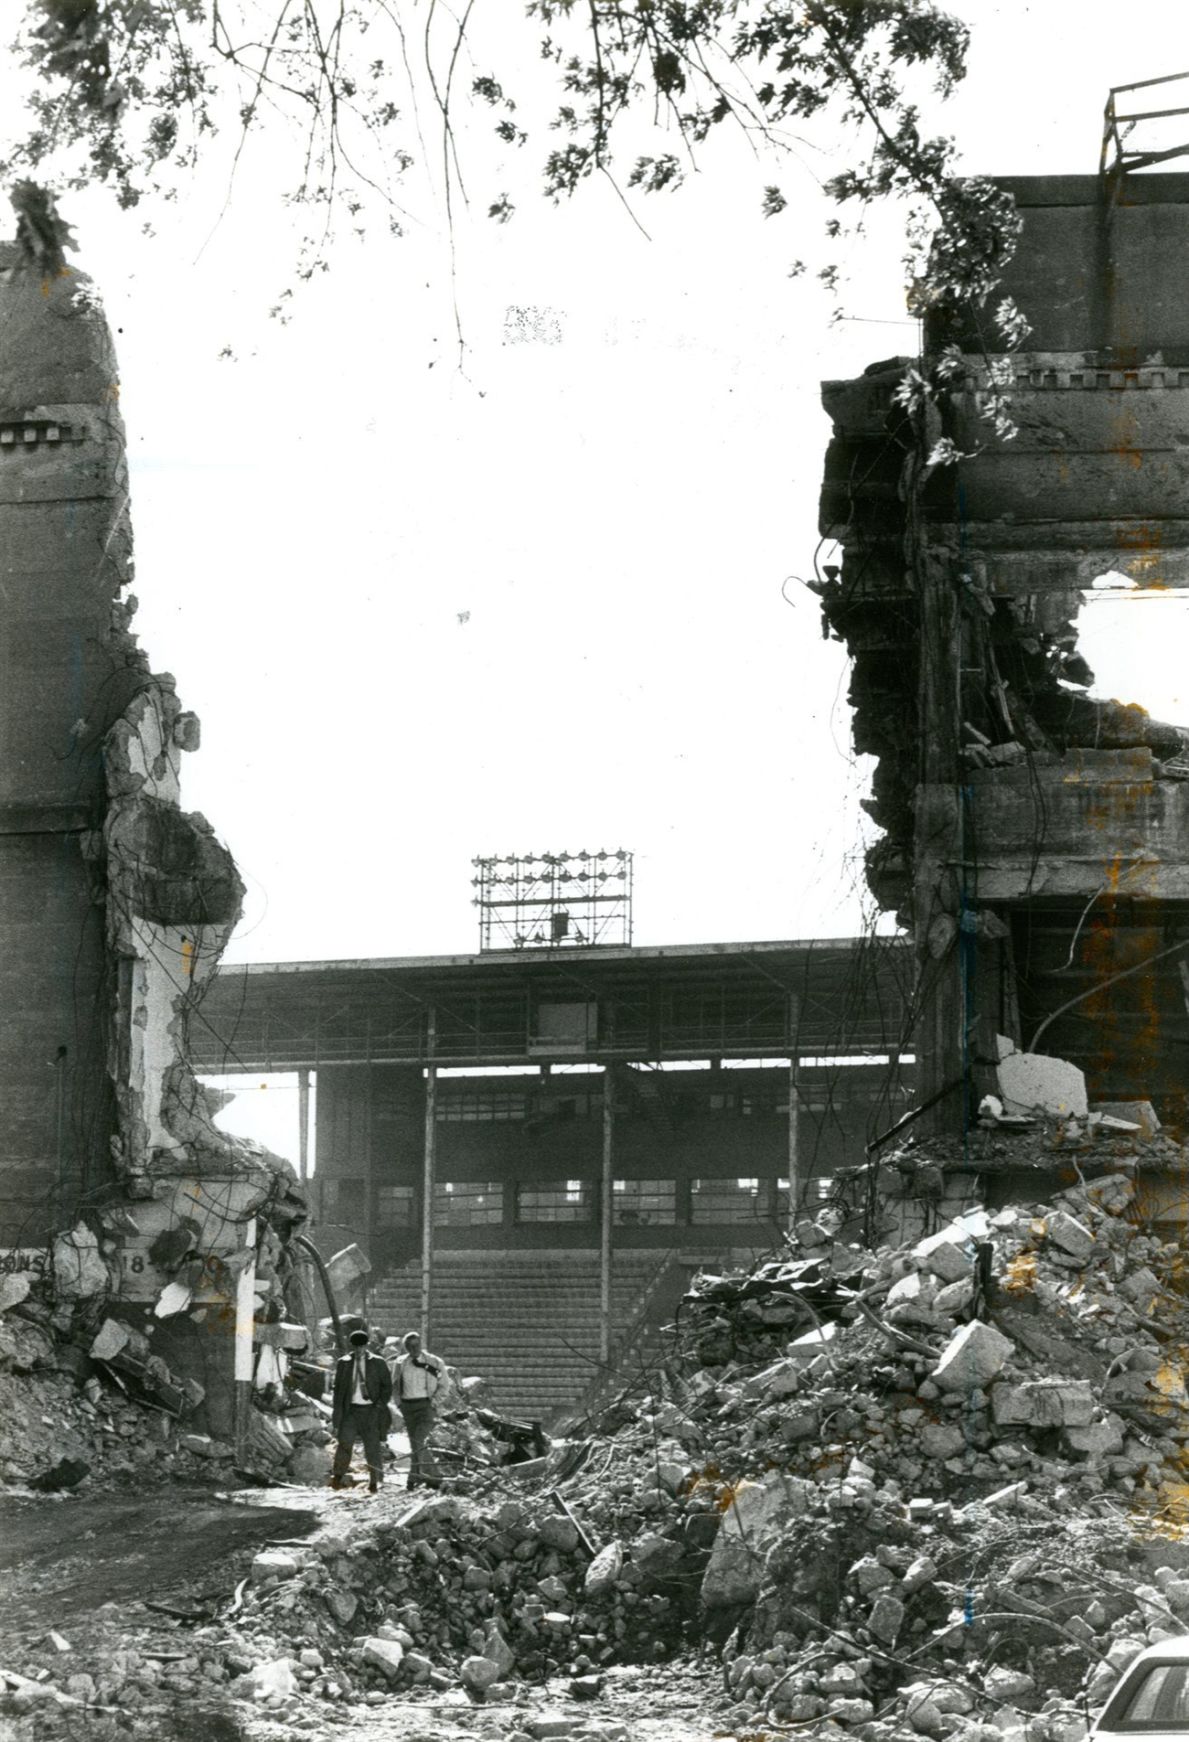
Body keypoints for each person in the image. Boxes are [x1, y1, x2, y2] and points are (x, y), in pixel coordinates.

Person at [330, 1326, 393, 1493]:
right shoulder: (343, 1363)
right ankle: (337, 1477)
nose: (358, 1350)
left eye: (361, 1346)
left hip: (370, 1411)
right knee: (345, 1443)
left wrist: (379, 1405)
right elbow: (338, 1392)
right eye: (355, 1346)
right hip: (350, 1411)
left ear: (367, 1346)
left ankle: (375, 1481)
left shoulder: (378, 1363)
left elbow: (387, 1386)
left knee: (372, 1446)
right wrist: (337, 1416)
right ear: (352, 1346)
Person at [393, 1330, 444, 1489]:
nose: (414, 1349)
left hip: (425, 1406)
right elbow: (394, 1384)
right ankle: (434, 1478)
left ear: (421, 1345)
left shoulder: (434, 1362)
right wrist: (399, 1404)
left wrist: (434, 1402)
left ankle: (413, 1478)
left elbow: (444, 1385)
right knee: (415, 1444)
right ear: (405, 1347)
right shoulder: (400, 1363)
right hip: (407, 1407)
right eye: (410, 1346)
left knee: (418, 1440)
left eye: (416, 1345)